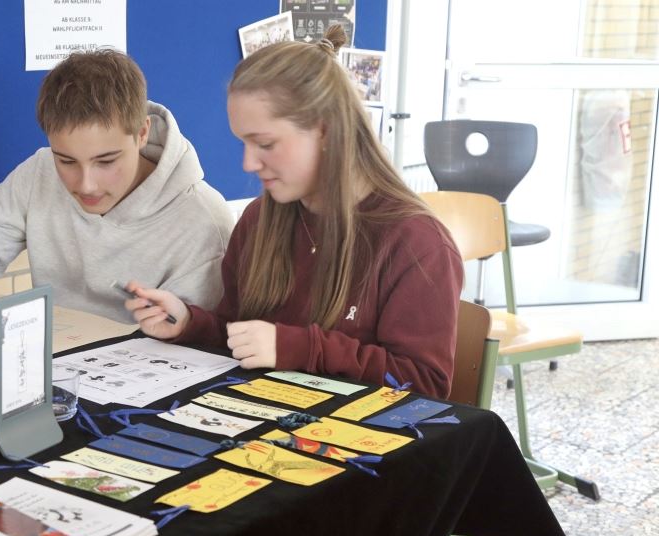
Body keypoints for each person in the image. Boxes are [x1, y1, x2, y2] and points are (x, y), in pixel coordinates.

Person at [124, 26, 463, 399]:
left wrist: (299, 348)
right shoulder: (258, 220)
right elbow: (240, 335)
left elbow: (425, 386)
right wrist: (189, 323)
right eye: (243, 143)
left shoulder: (416, 243)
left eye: (265, 144)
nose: (248, 163)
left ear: (325, 131)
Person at [0, 49, 232, 324]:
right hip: (52, 362)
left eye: (106, 161)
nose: (86, 185)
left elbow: (195, 341)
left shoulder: (203, 220)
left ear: (141, 133)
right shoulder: (40, 171)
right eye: (66, 161)